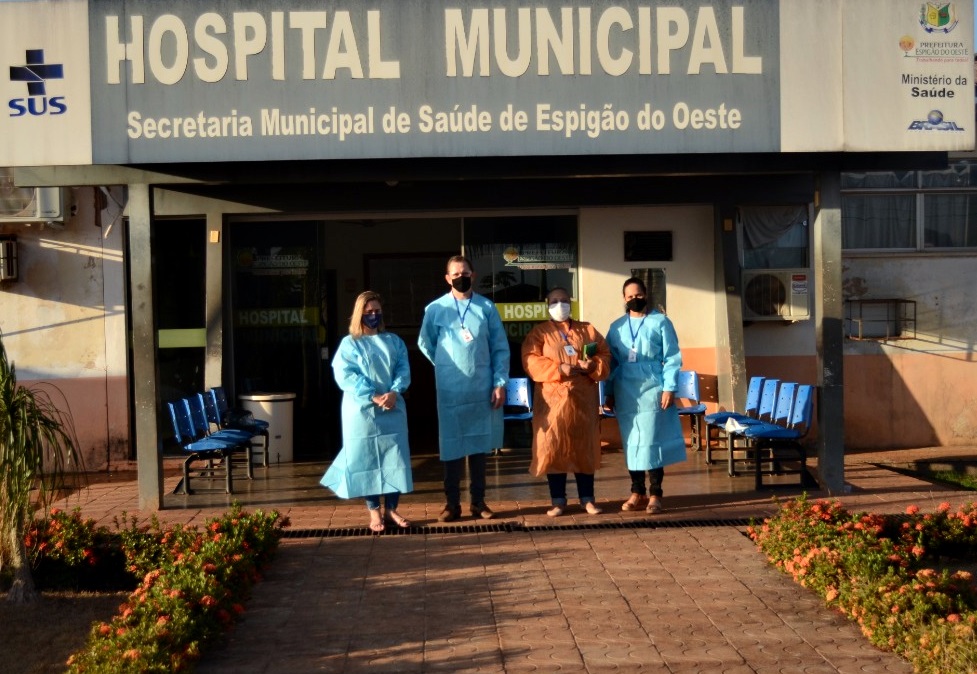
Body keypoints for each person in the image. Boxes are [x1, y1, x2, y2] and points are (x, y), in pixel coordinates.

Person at [418, 255, 510, 522]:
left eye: (465, 272)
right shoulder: (435, 309)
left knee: (479, 447)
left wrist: (499, 382)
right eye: (455, 274)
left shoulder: (486, 307)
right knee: (452, 447)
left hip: (482, 389)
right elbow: (426, 343)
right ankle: (451, 504)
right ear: (447, 278)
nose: (461, 277)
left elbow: (500, 348)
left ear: (473, 275)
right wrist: (447, 365)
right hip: (450, 391)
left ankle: (479, 503)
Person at [320, 291, 413, 533]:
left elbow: (403, 369)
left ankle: (392, 509)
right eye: (368, 311)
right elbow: (346, 375)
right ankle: (374, 512)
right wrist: (372, 394)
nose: (373, 315)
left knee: (395, 459)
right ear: (359, 313)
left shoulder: (393, 341)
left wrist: (394, 392)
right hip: (361, 411)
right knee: (366, 459)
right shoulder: (349, 344)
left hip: (392, 408)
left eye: (377, 311)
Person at [522, 287, 611, 516]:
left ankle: (587, 499)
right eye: (554, 301)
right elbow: (530, 361)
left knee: (584, 448)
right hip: (552, 401)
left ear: (571, 304)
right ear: (547, 304)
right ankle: (558, 500)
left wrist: (594, 366)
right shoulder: (539, 333)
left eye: (563, 300)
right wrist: (558, 368)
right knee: (554, 447)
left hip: (583, 398)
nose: (559, 305)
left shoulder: (587, 329)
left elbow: (605, 355)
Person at [604, 277, 686, 514]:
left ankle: (655, 494)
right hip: (625, 391)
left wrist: (669, 387)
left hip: (652, 388)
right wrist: (609, 393)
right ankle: (636, 490)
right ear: (624, 299)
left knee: (651, 441)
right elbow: (611, 361)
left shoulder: (661, 322)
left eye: (638, 295)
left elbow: (672, 357)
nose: (634, 299)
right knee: (632, 442)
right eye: (630, 296)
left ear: (646, 294)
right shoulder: (616, 327)